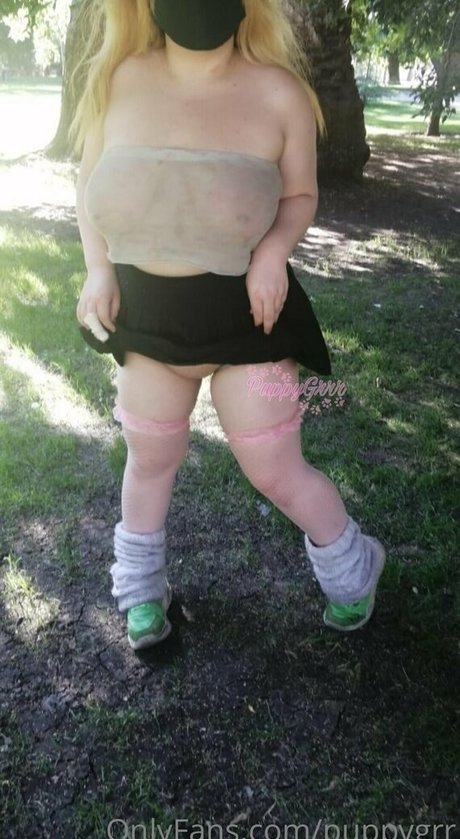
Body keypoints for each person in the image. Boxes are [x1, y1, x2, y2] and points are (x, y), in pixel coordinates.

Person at [73, 0, 385, 651]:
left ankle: (355, 568)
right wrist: (97, 270)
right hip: (149, 321)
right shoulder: (119, 77)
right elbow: (88, 183)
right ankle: (141, 594)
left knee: (274, 465)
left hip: (253, 323)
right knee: (150, 457)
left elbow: (299, 194)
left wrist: (272, 253)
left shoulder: (281, 93)